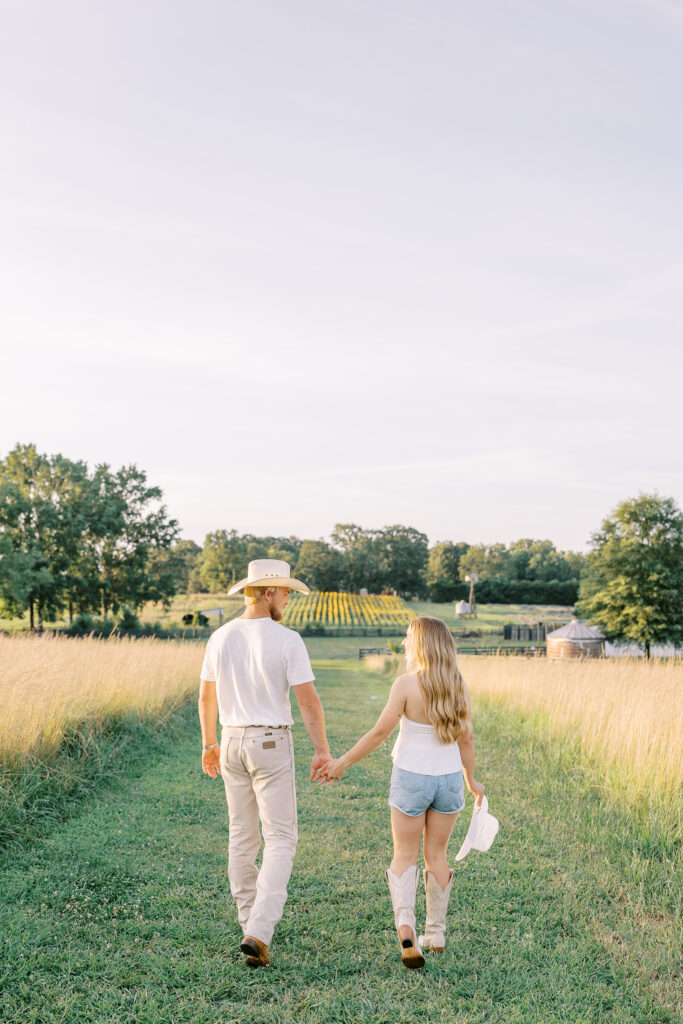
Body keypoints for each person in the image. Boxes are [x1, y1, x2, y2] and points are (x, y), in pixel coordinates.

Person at [316, 615, 484, 969]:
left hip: (411, 778)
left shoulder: (406, 685)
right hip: (449, 779)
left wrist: (342, 762)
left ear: (421, 644)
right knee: (436, 855)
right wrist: (471, 781)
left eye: (409, 637)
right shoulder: (459, 685)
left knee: (404, 854)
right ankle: (435, 934)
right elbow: (465, 739)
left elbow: (379, 734)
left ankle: (406, 929)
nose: (405, 642)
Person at [199, 559, 332, 969]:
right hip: (271, 741)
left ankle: (249, 927)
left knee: (242, 837)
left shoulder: (220, 637)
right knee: (280, 839)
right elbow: (308, 701)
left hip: (232, 739)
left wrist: (209, 744)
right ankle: (258, 930)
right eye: (286, 592)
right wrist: (323, 750)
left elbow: (207, 697)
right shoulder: (287, 639)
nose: (288, 600)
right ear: (268, 592)